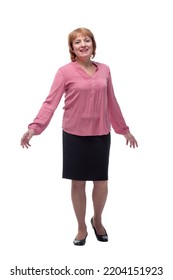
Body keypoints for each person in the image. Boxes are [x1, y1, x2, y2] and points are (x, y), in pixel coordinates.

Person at [21, 27, 138, 246]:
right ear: (72, 48)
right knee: (78, 183)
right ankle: (81, 226)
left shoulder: (105, 69)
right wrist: (34, 128)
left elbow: (111, 100)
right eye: (77, 42)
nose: (83, 44)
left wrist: (124, 130)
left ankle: (98, 220)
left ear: (93, 45)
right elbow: (51, 102)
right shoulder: (64, 72)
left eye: (87, 40)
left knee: (101, 182)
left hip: (101, 133)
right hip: (74, 134)